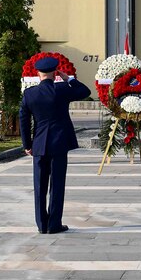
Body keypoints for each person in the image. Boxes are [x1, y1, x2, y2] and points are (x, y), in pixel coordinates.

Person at [19, 56, 91, 234]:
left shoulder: (29, 94)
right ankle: (54, 224)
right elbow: (85, 91)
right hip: (59, 142)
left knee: (39, 186)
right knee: (57, 185)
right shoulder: (61, 89)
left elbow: (24, 120)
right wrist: (68, 79)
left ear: (38, 74)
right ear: (55, 73)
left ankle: (41, 225)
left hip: (39, 144)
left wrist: (27, 144)